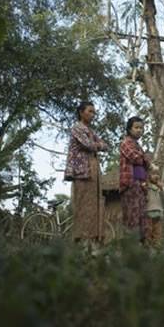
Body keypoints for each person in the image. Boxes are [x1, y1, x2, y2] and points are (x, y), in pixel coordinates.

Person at [64, 101, 108, 243]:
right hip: (81, 171)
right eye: (90, 111)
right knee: (83, 204)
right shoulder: (77, 128)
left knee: (93, 204)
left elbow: (104, 145)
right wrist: (99, 145)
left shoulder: (90, 131)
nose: (93, 114)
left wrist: (99, 145)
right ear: (81, 112)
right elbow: (88, 145)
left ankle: (93, 238)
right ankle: (81, 238)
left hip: (93, 170)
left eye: (94, 112)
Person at [119, 116, 152, 241]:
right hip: (130, 185)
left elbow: (144, 162)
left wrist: (145, 160)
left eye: (141, 128)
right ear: (129, 129)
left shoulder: (138, 146)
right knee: (132, 218)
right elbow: (136, 158)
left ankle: (142, 247)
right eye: (136, 127)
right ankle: (130, 248)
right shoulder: (125, 143)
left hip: (140, 185)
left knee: (142, 218)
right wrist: (146, 160)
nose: (139, 130)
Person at [143, 169, 164, 247]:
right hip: (149, 210)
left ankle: (157, 245)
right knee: (148, 228)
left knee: (158, 229)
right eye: (153, 174)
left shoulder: (160, 186)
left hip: (158, 210)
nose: (156, 176)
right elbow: (143, 190)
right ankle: (148, 245)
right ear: (149, 176)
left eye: (157, 174)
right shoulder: (147, 185)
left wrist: (161, 187)